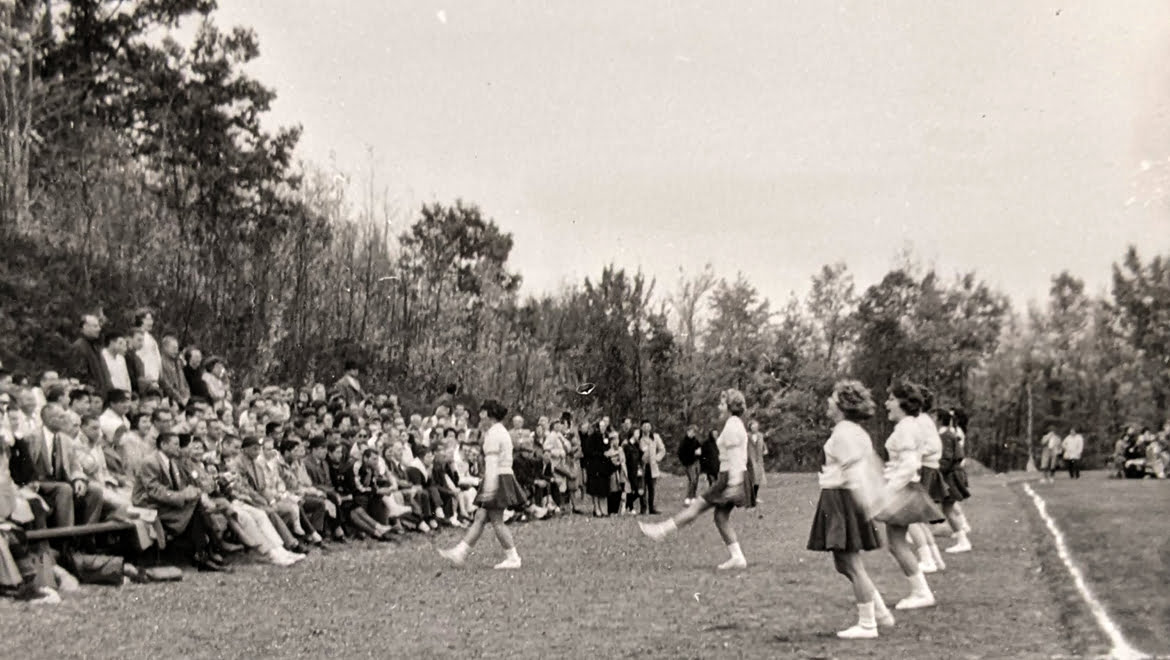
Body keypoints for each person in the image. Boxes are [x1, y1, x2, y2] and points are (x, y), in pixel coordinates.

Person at [807, 380, 894, 639]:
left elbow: (856, 471)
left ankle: (868, 624)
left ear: (842, 405)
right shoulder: (853, 431)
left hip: (842, 498)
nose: (828, 402)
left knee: (851, 563)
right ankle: (880, 613)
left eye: (833, 398)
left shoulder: (845, 432)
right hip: (842, 497)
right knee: (844, 563)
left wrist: (868, 502)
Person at [639, 389, 753, 570]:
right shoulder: (736, 423)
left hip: (729, 478)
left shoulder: (732, 425)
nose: (719, 406)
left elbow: (737, 458)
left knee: (697, 507)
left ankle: (661, 530)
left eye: (722, 403)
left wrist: (733, 484)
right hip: (733, 477)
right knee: (720, 517)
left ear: (730, 407)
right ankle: (737, 557)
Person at [439, 399, 528, 569]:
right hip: (500, 476)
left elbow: (493, 463)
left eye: (482, 413)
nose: (480, 416)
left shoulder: (494, 435)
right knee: (480, 517)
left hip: (497, 478)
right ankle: (460, 553)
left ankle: (513, 558)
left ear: (488, 414)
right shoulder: (499, 432)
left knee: (496, 520)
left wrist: (489, 489)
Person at [877, 382, 943, 610]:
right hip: (904, 486)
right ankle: (920, 590)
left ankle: (922, 592)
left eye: (891, 399)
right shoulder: (909, 425)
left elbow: (909, 464)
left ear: (903, 403)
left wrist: (890, 490)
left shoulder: (906, 427)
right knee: (896, 543)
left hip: (903, 489)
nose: (887, 403)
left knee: (896, 544)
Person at [937, 409, 972, 554]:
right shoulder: (949, 434)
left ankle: (963, 540)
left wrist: (935, 469)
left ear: (939, 420)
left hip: (951, 475)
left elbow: (947, 458)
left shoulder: (945, 435)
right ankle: (962, 537)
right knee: (948, 508)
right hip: (953, 474)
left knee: (947, 508)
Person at [678, 425, 702, 505]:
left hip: (696, 462)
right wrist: (686, 461)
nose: (692, 433)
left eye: (694, 432)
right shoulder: (684, 442)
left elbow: (700, 450)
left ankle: (693, 497)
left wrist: (699, 454)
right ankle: (688, 497)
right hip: (689, 463)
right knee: (692, 480)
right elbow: (680, 453)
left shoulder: (695, 441)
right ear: (688, 431)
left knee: (696, 480)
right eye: (691, 431)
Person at [746, 420, 767, 507]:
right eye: (753, 426)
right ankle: (751, 497)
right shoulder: (747, 435)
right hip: (750, 458)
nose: (754, 428)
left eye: (756, 426)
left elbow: (763, 444)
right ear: (750, 427)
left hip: (759, 458)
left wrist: (765, 449)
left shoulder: (760, 435)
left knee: (758, 478)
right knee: (752, 478)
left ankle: (755, 496)